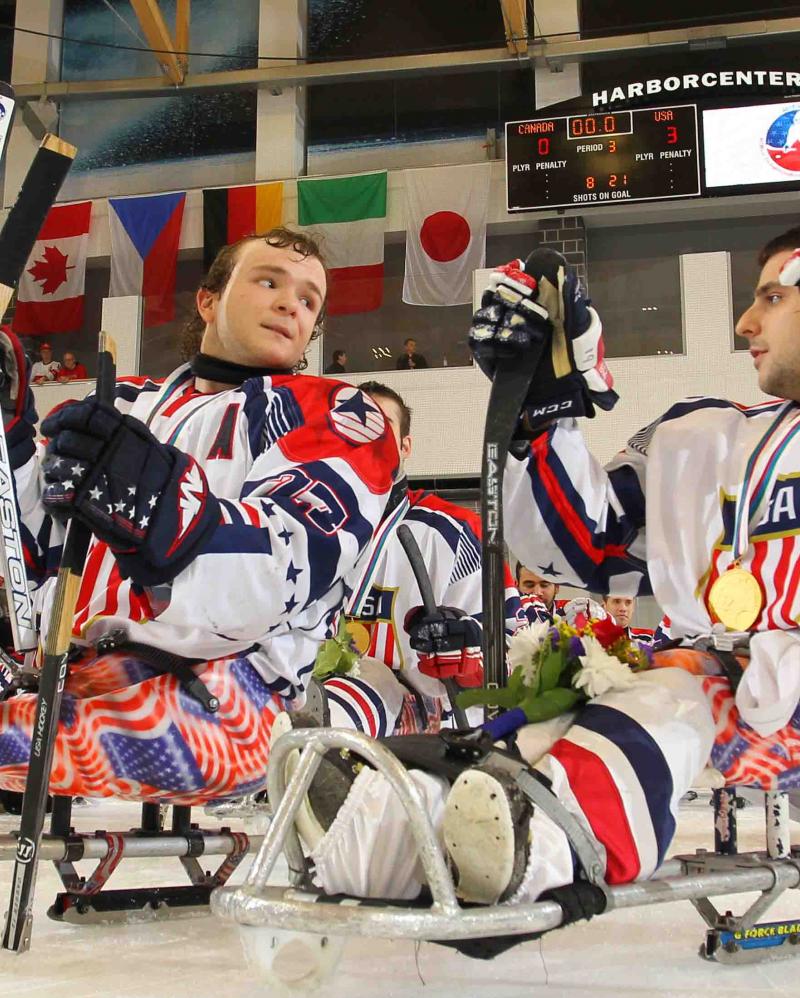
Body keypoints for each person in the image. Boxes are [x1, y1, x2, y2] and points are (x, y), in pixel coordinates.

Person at [283, 230, 800, 909]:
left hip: (742, 694)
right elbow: (586, 541)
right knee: (546, 720)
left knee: (664, 700)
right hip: (720, 688)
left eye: (771, 296)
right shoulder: (703, 438)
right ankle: (383, 845)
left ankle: (541, 855)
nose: (746, 321)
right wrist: (541, 409)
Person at [0, 227, 397, 803]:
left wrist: (159, 505)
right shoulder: (125, 404)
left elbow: (281, 569)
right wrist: (8, 435)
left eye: (310, 300)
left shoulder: (334, 414)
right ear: (208, 300)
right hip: (77, 675)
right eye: (269, 281)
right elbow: (30, 552)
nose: (292, 303)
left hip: (232, 703)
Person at [319, 380, 525, 735]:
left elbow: (515, 655)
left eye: (381, 425)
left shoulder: (457, 531)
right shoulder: (304, 527)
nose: (365, 435)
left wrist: (467, 646)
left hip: (429, 740)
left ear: (405, 446)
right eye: (352, 425)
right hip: (319, 713)